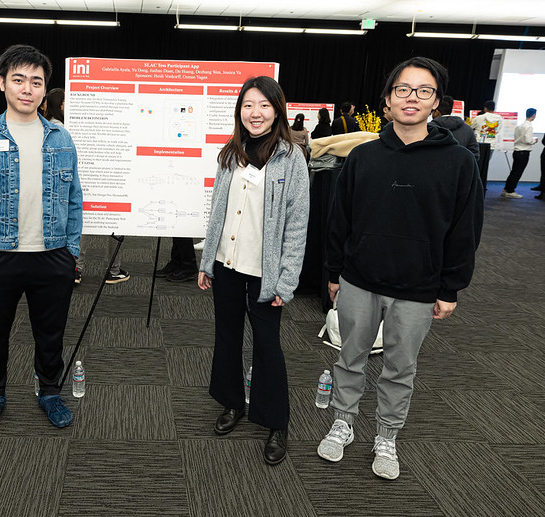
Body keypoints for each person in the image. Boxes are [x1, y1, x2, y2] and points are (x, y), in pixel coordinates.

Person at [317, 57, 483, 481]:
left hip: (419, 285)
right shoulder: (363, 156)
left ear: (437, 102)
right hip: (359, 278)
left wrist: (451, 288)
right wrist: (334, 273)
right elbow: (340, 220)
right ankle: (344, 422)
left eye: (423, 91)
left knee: (400, 366)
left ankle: (387, 435)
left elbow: (465, 231)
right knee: (349, 357)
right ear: (388, 99)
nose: (412, 98)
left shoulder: (459, 161)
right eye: (403, 89)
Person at [0, 44, 82, 432]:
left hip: (52, 253)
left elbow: (75, 198)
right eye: (18, 80)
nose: (27, 89)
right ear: (2, 84)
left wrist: (72, 252)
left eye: (36, 81)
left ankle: (49, 392)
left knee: (51, 334)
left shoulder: (61, 138)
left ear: (45, 89)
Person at [198, 76, 309, 466]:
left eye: (263, 105)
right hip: (227, 265)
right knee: (226, 338)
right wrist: (207, 259)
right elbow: (218, 212)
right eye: (248, 105)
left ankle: (276, 421)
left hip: (266, 273)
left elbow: (297, 223)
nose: (255, 113)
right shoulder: (231, 152)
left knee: (267, 346)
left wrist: (287, 280)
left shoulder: (291, 157)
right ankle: (232, 403)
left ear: (277, 109)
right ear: (239, 110)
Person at [502, 108, 538, 199]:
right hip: (523, 152)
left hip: (517, 151)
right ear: (533, 115)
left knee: (514, 172)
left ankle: (506, 189)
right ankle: (510, 191)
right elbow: (528, 140)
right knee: (517, 173)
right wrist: (534, 140)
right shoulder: (529, 126)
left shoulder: (519, 126)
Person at [431, 95, 479, 161]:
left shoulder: (429, 128)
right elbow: (474, 155)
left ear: (436, 112)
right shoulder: (468, 129)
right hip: (458, 169)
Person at [470, 100, 503, 193]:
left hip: (479, 144)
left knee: (475, 165)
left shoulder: (480, 118)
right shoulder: (500, 119)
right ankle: (481, 186)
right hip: (491, 146)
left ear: (485, 108)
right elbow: (499, 131)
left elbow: (471, 127)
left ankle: (472, 185)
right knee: (484, 167)